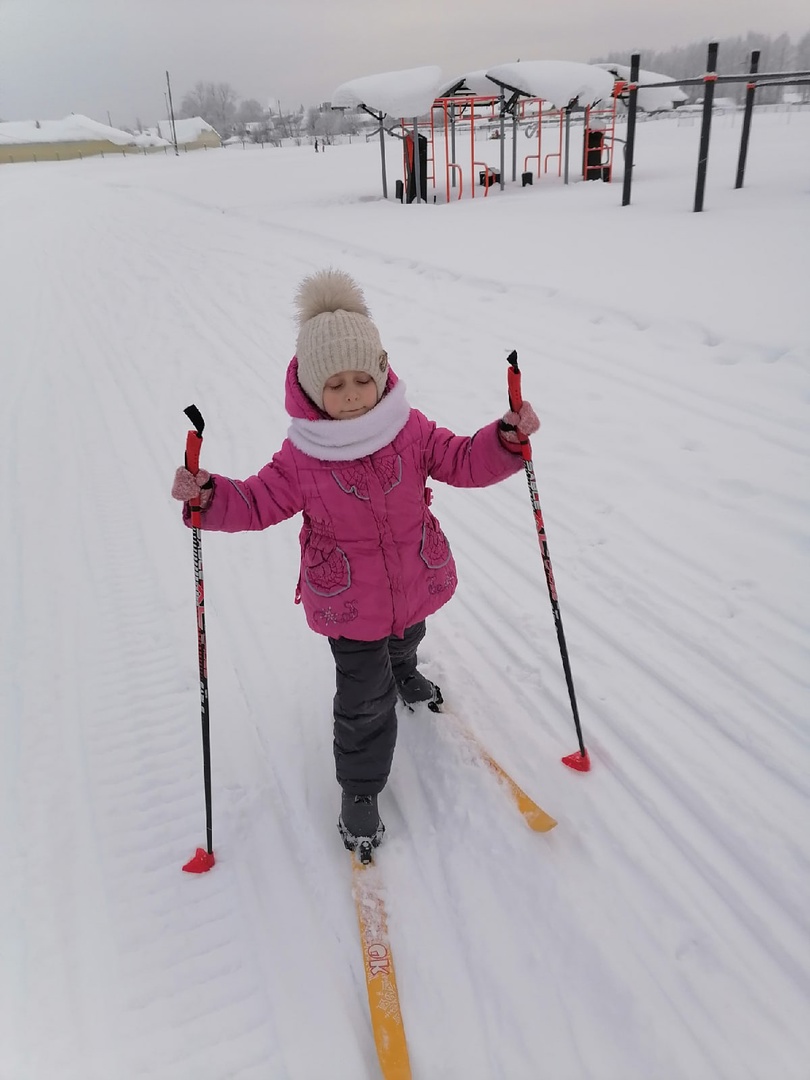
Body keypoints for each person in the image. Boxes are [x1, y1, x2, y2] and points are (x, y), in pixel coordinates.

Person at [171, 269, 539, 858]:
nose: (350, 394)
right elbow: (258, 501)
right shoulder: (304, 456)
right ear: (313, 390)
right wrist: (209, 497)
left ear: (382, 374)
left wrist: (504, 440)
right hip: (347, 602)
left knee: (409, 636)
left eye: (361, 379)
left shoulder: (409, 430)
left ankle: (407, 669)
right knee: (364, 700)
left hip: (414, 580)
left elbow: (465, 460)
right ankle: (361, 791)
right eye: (334, 384)